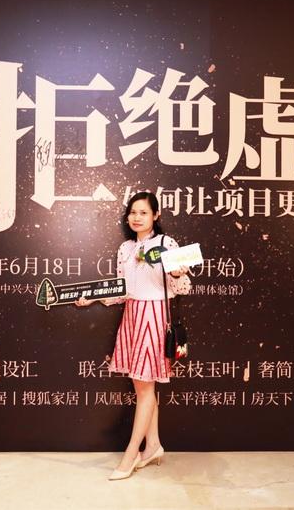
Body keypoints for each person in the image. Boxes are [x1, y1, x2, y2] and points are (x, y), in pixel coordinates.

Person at [76, 191, 190, 481]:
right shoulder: (125, 248)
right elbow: (122, 290)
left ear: (156, 215)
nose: (137, 217)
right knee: (144, 388)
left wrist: (178, 274)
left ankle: (131, 453)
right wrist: (93, 297)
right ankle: (153, 446)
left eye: (143, 212)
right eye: (133, 212)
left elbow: (183, 288)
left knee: (144, 388)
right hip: (132, 316)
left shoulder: (166, 244)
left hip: (155, 315)